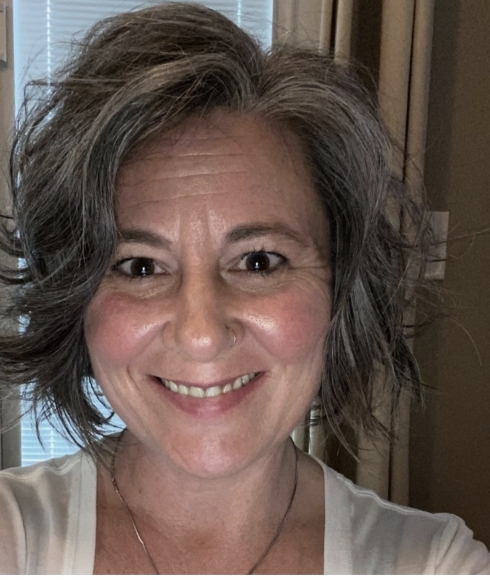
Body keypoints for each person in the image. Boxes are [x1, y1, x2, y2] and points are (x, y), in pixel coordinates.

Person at [0, 2, 488, 574]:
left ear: (340, 286)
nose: (202, 335)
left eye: (258, 262)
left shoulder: (435, 562)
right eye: (140, 267)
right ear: (74, 300)